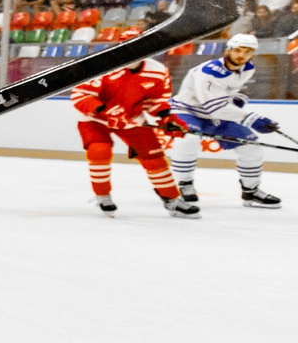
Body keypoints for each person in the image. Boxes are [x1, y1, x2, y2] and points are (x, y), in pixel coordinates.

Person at [166, 32, 285, 210]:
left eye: (247, 51)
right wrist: (251, 119)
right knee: (187, 140)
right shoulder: (209, 71)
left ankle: (251, 191)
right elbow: (212, 107)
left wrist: (237, 99)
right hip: (187, 110)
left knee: (251, 146)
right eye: (238, 50)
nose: (242, 55)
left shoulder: (248, 68)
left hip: (216, 113)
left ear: (253, 54)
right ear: (228, 50)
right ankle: (184, 184)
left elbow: (231, 90)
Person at [72, 56, 192, 216]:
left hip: (131, 118)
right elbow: (80, 94)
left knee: (154, 158)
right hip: (95, 118)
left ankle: (172, 199)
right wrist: (104, 111)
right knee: (99, 150)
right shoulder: (102, 66)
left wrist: (167, 120)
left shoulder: (158, 70)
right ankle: (102, 195)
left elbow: (156, 102)